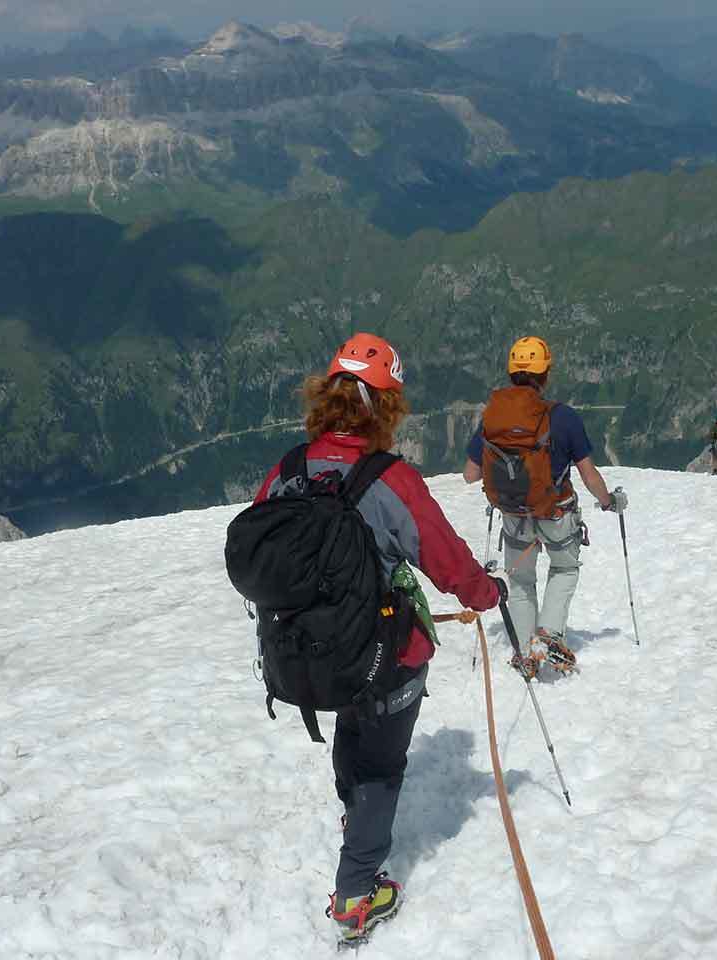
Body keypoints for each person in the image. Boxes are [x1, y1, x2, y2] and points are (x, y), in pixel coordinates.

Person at [251, 332, 502, 945]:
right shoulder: (390, 480)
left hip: (311, 656)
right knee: (382, 764)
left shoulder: (287, 471)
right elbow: (447, 563)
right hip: (385, 657)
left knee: (352, 730)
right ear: (384, 407)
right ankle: (357, 894)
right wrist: (486, 594)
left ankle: (353, 815)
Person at [463, 335, 626, 675]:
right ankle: (549, 635)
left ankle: (525, 653)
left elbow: (469, 474)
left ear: (511, 373)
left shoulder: (493, 416)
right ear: (545, 374)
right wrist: (609, 502)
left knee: (520, 581)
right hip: (556, 511)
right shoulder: (562, 417)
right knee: (564, 569)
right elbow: (588, 474)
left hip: (513, 514)